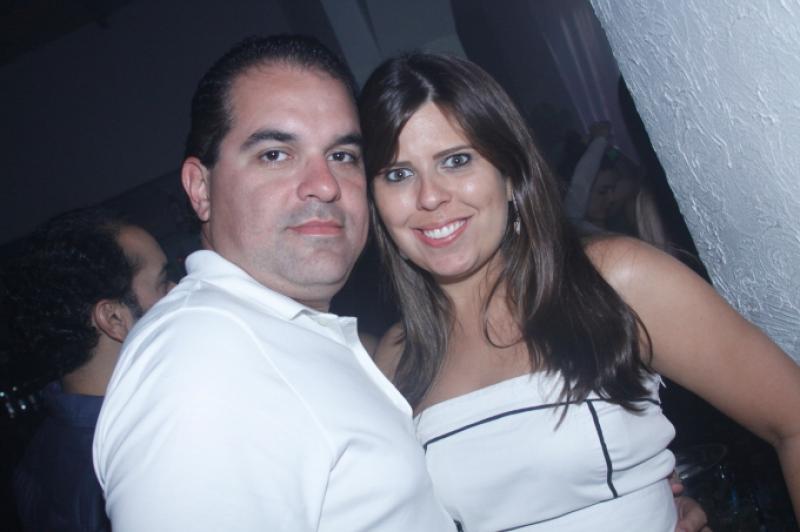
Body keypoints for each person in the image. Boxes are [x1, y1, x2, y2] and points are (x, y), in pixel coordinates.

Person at [359, 52, 800, 531]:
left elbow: (792, 418)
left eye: (457, 160)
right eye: (398, 174)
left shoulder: (613, 281)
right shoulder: (395, 360)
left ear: (510, 174)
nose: (429, 196)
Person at [92, 35, 455, 531]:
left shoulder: (271, 333)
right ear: (201, 189)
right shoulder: (202, 359)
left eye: (342, 155)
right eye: (275, 155)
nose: (325, 184)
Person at [4, 207, 172, 532]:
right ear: (113, 319)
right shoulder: (140, 458)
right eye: (163, 283)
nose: (180, 290)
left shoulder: (36, 456)